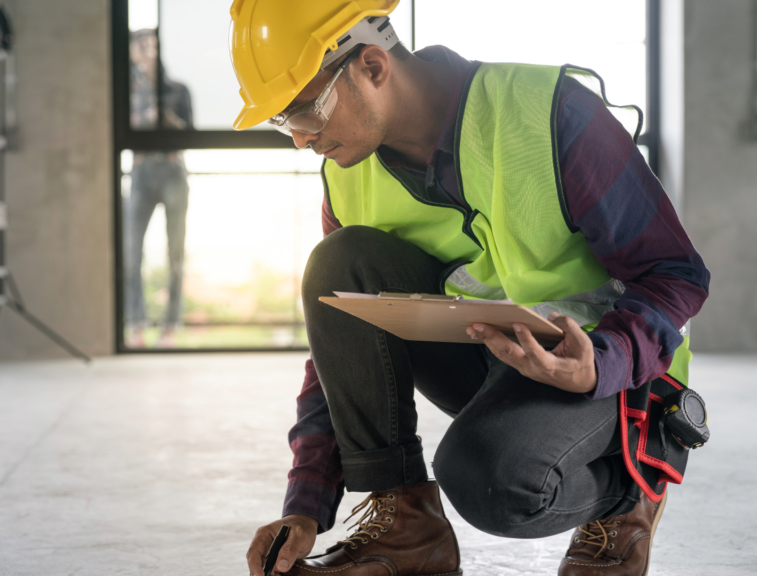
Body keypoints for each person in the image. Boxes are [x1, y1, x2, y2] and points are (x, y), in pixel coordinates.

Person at [228, 2, 710, 576]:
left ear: (374, 68)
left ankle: (628, 492)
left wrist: (603, 361)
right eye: (285, 122)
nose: (301, 141)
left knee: (490, 481)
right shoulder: (348, 175)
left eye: (304, 112)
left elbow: (677, 272)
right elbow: (341, 340)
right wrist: (306, 502)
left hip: (616, 378)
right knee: (338, 265)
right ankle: (406, 526)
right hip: (497, 361)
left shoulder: (550, 115)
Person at [124, 28, 193, 348]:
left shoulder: (178, 90)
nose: (145, 49)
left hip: (172, 171)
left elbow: (190, 134)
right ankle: (136, 324)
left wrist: (163, 115)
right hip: (140, 172)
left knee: (174, 253)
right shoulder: (128, 91)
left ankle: (170, 325)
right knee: (131, 250)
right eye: (139, 44)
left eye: (150, 43)